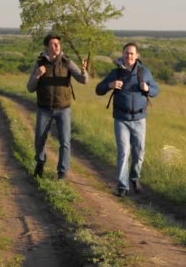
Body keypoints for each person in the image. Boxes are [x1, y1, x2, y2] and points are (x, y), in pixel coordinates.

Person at [96, 42, 159, 197]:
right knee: (123, 152)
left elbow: (156, 90)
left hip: (139, 119)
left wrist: (148, 89)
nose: (129, 56)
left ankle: (135, 178)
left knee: (139, 152)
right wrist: (110, 85)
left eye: (132, 53)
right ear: (122, 55)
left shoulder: (144, 72)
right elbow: (99, 89)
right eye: (126, 53)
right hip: (121, 118)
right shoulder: (116, 73)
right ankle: (123, 186)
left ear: (136, 56)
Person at [27, 33, 88, 180]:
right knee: (39, 140)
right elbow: (30, 88)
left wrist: (84, 72)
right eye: (53, 44)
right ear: (47, 47)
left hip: (63, 109)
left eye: (58, 44)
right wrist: (37, 75)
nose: (57, 46)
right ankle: (40, 162)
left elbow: (82, 80)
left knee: (65, 141)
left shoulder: (67, 62)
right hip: (44, 108)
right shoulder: (40, 63)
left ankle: (62, 172)